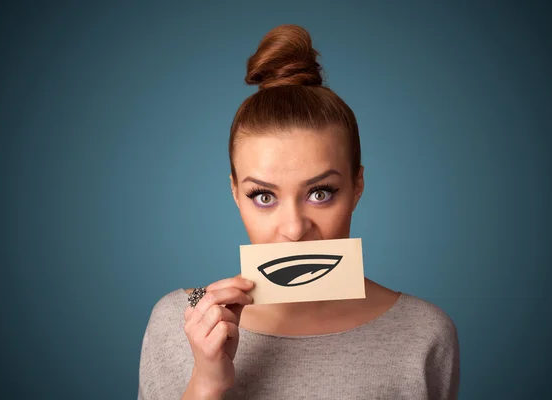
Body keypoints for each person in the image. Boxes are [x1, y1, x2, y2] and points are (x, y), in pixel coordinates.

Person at [138, 24, 460, 400]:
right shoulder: (180, 318)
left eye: (320, 192)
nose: (293, 228)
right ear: (234, 193)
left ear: (357, 187)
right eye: (263, 196)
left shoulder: (423, 333)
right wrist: (207, 382)